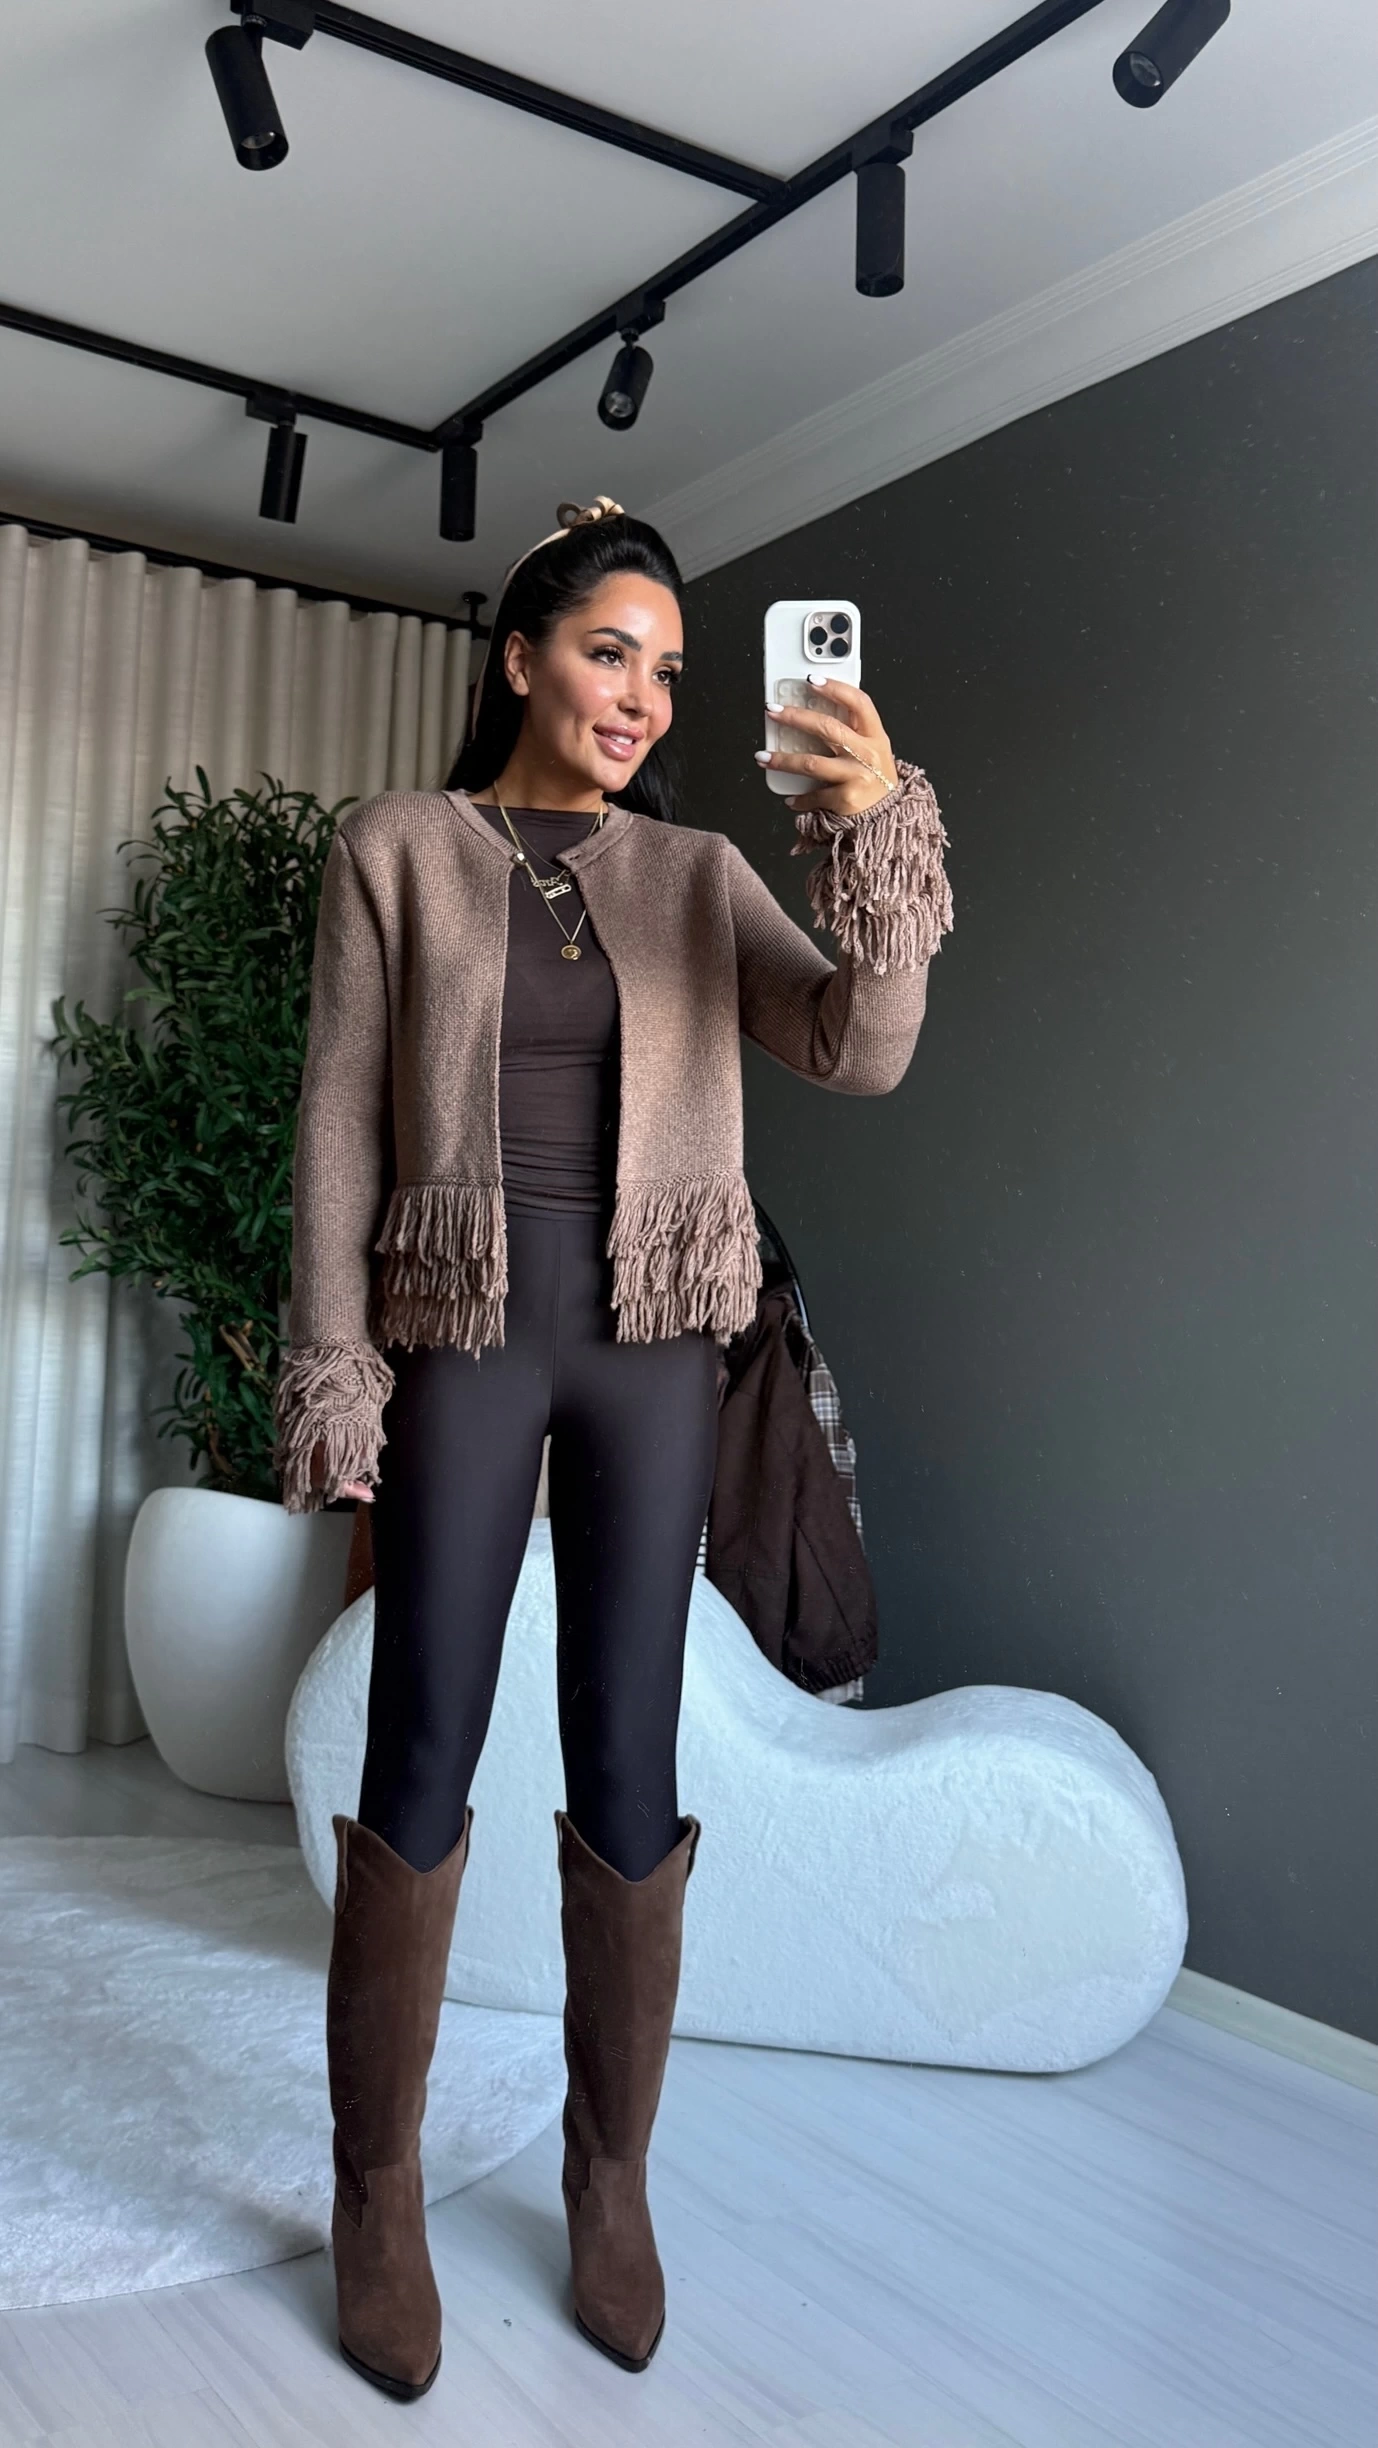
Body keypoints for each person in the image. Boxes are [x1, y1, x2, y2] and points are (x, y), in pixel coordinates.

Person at [272, 496, 954, 2401]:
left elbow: (860, 1047)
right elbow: (336, 1119)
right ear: (519, 658)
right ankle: (377, 2188)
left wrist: (868, 831)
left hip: (656, 1345)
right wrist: (334, 1369)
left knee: (629, 1755)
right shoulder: (395, 849)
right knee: (420, 1736)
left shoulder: (698, 871)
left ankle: (608, 2177)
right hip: (465, 1332)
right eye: (606, 652)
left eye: (666, 668)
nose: (642, 695)